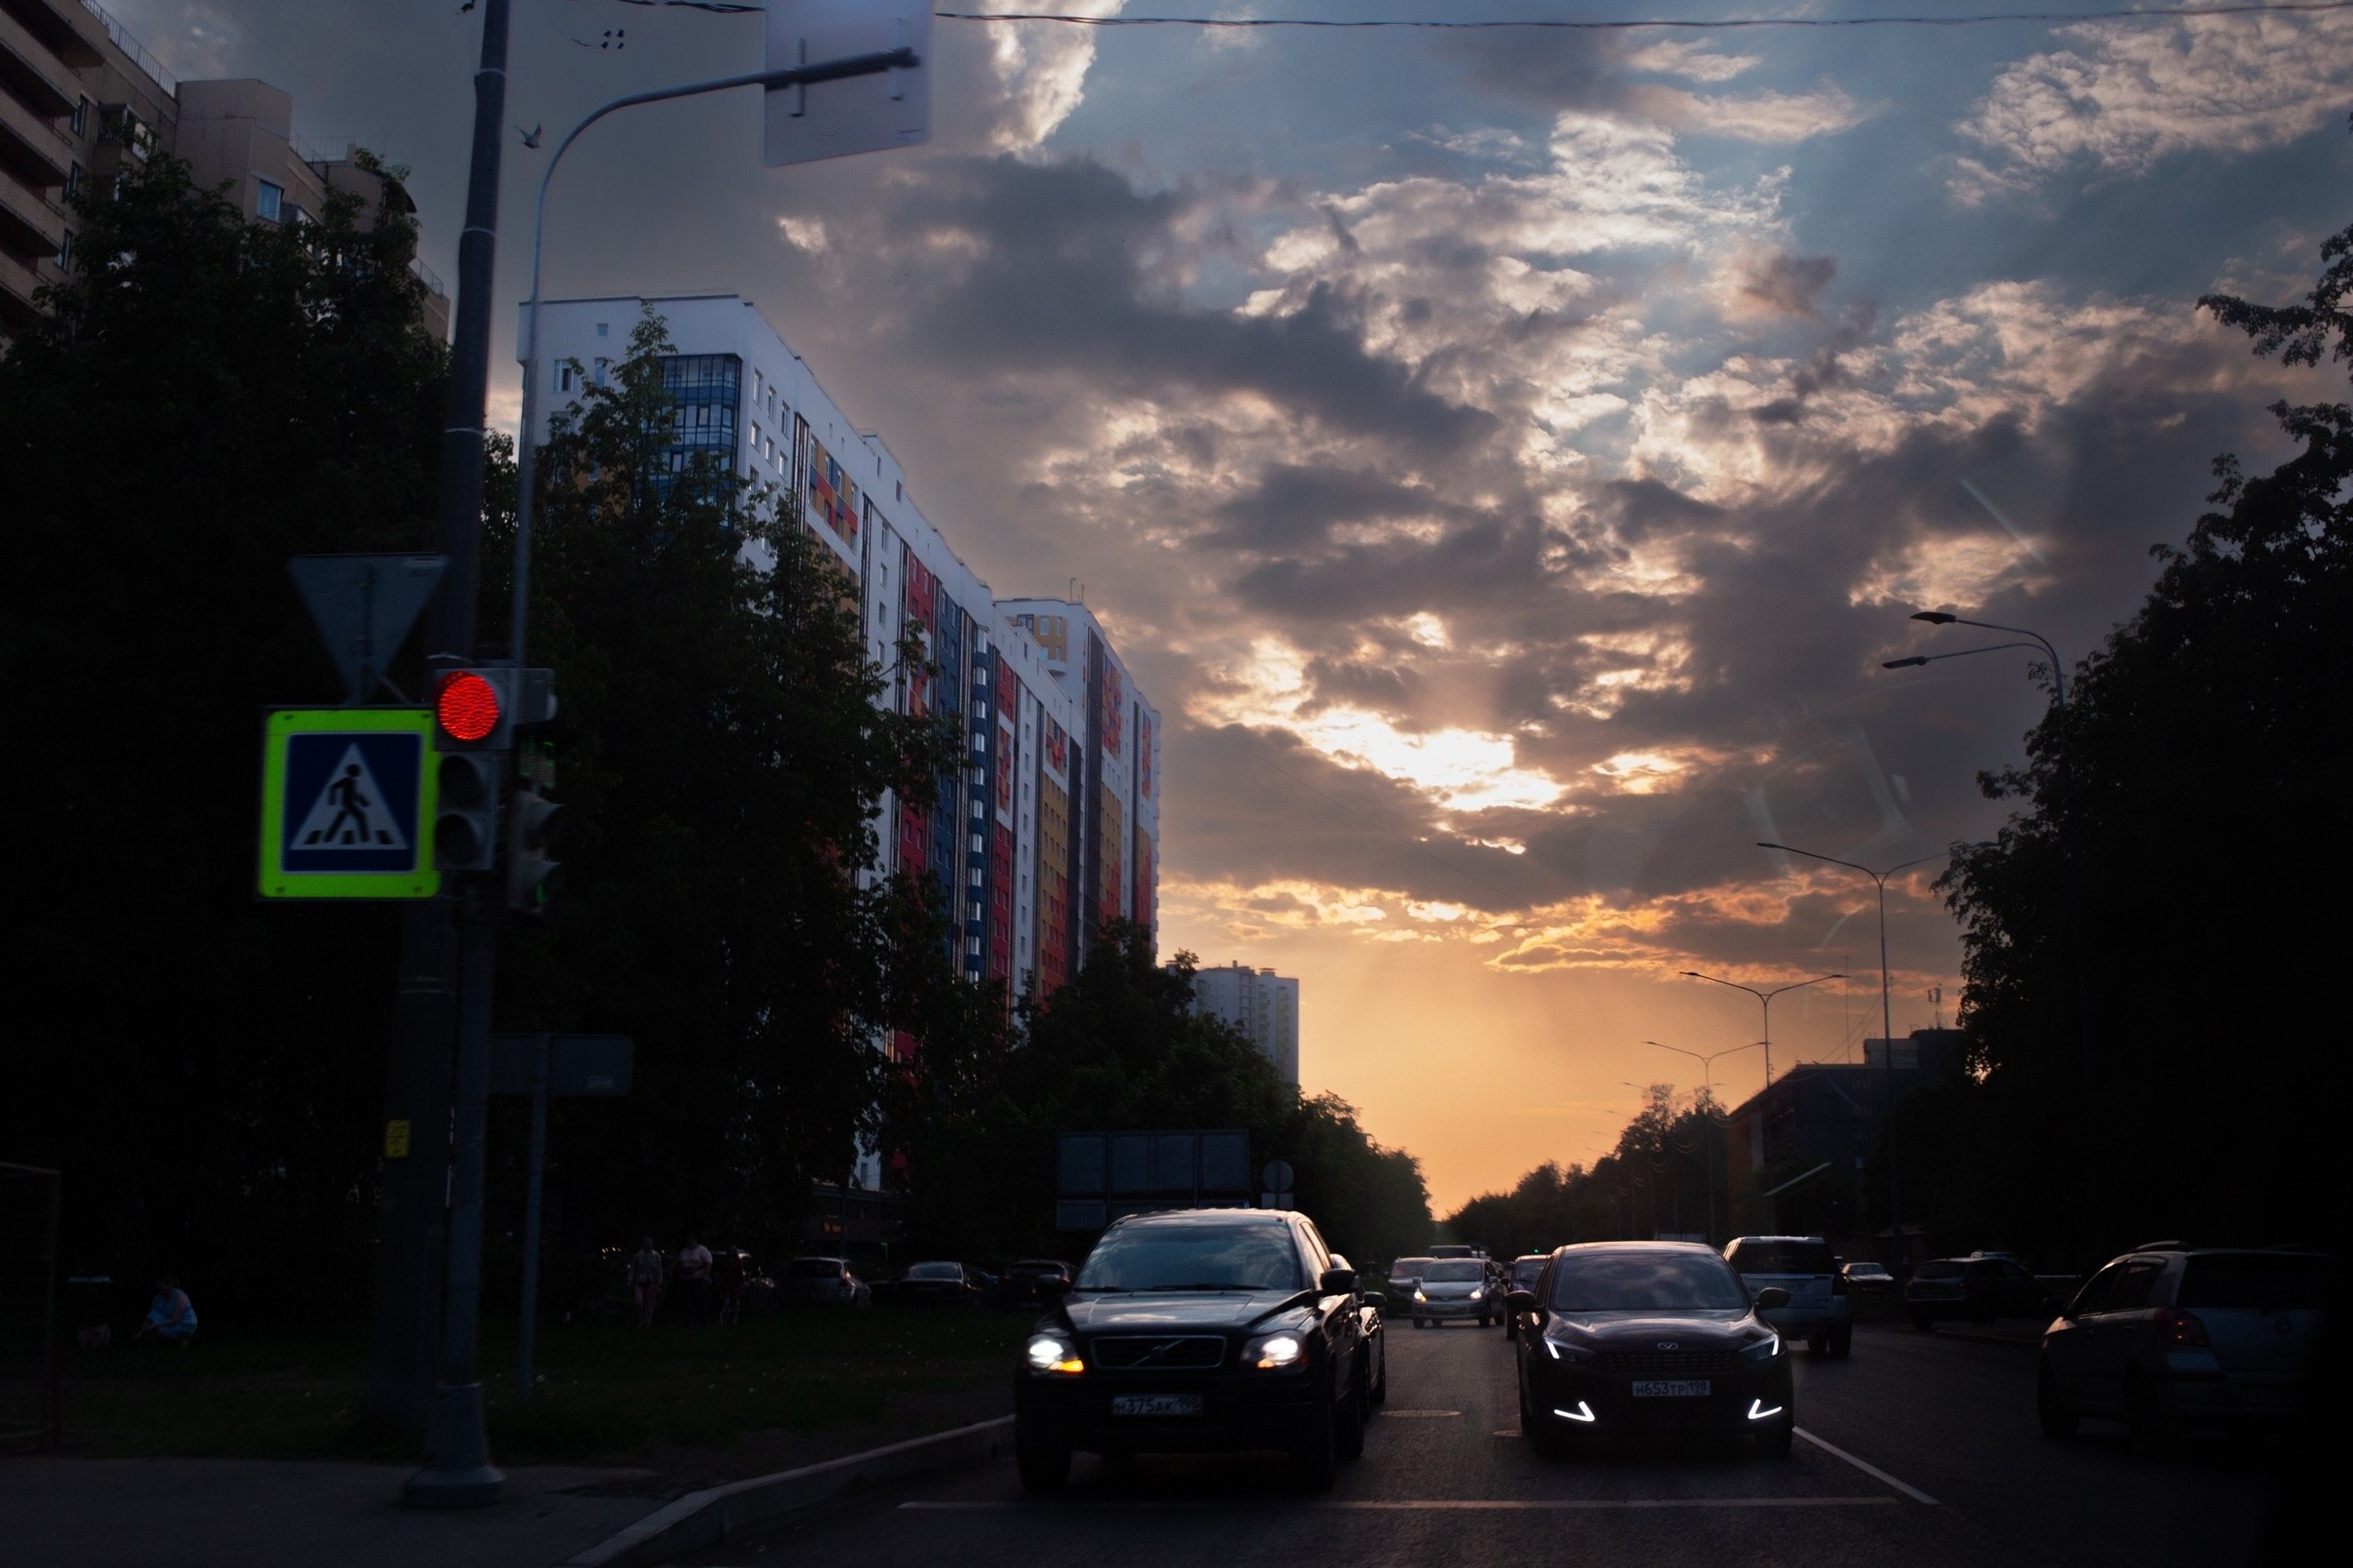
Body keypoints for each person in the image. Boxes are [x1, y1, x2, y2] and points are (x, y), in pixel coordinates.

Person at [134, 1276, 197, 1346]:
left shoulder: (180, 1297)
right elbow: (151, 1315)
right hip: (168, 1322)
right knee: (154, 1318)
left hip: (184, 1323)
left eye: (161, 1285)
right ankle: (163, 1339)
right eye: (158, 1285)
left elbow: (176, 1320)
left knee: (160, 1330)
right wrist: (141, 1332)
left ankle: (181, 1339)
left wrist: (154, 1326)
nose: (159, 1287)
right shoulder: (158, 1298)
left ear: (169, 1285)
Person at [676, 1234, 714, 1325]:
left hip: (698, 1279)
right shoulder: (684, 1251)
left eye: (690, 1240)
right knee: (686, 1301)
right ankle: (688, 1320)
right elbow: (678, 1263)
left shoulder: (702, 1250)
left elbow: (708, 1263)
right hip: (686, 1279)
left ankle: (703, 1320)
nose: (688, 1242)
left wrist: (705, 1276)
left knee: (700, 1301)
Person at [629, 1236, 665, 1329]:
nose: (647, 1245)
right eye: (646, 1243)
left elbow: (659, 1270)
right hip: (639, 1281)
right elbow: (633, 1269)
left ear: (652, 1244)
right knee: (638, 1302)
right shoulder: (638, 1256)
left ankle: (647, 1324)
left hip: (651, 1282)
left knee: (649, 1305)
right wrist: (630, 1281)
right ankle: (640, 1321)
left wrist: (658, 1283)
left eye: (649, 1243)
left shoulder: (656, 1256)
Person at [712, 1245, 745, 1325]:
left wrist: (742, 1283)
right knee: (726, 1302)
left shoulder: (738, 1262)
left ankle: (734, 1319)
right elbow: (721, 1273)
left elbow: (740, 1273)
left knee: (736, 1302)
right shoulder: (724, 1262)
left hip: (735, 1284)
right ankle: (722, 1318)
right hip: (726, 1283)